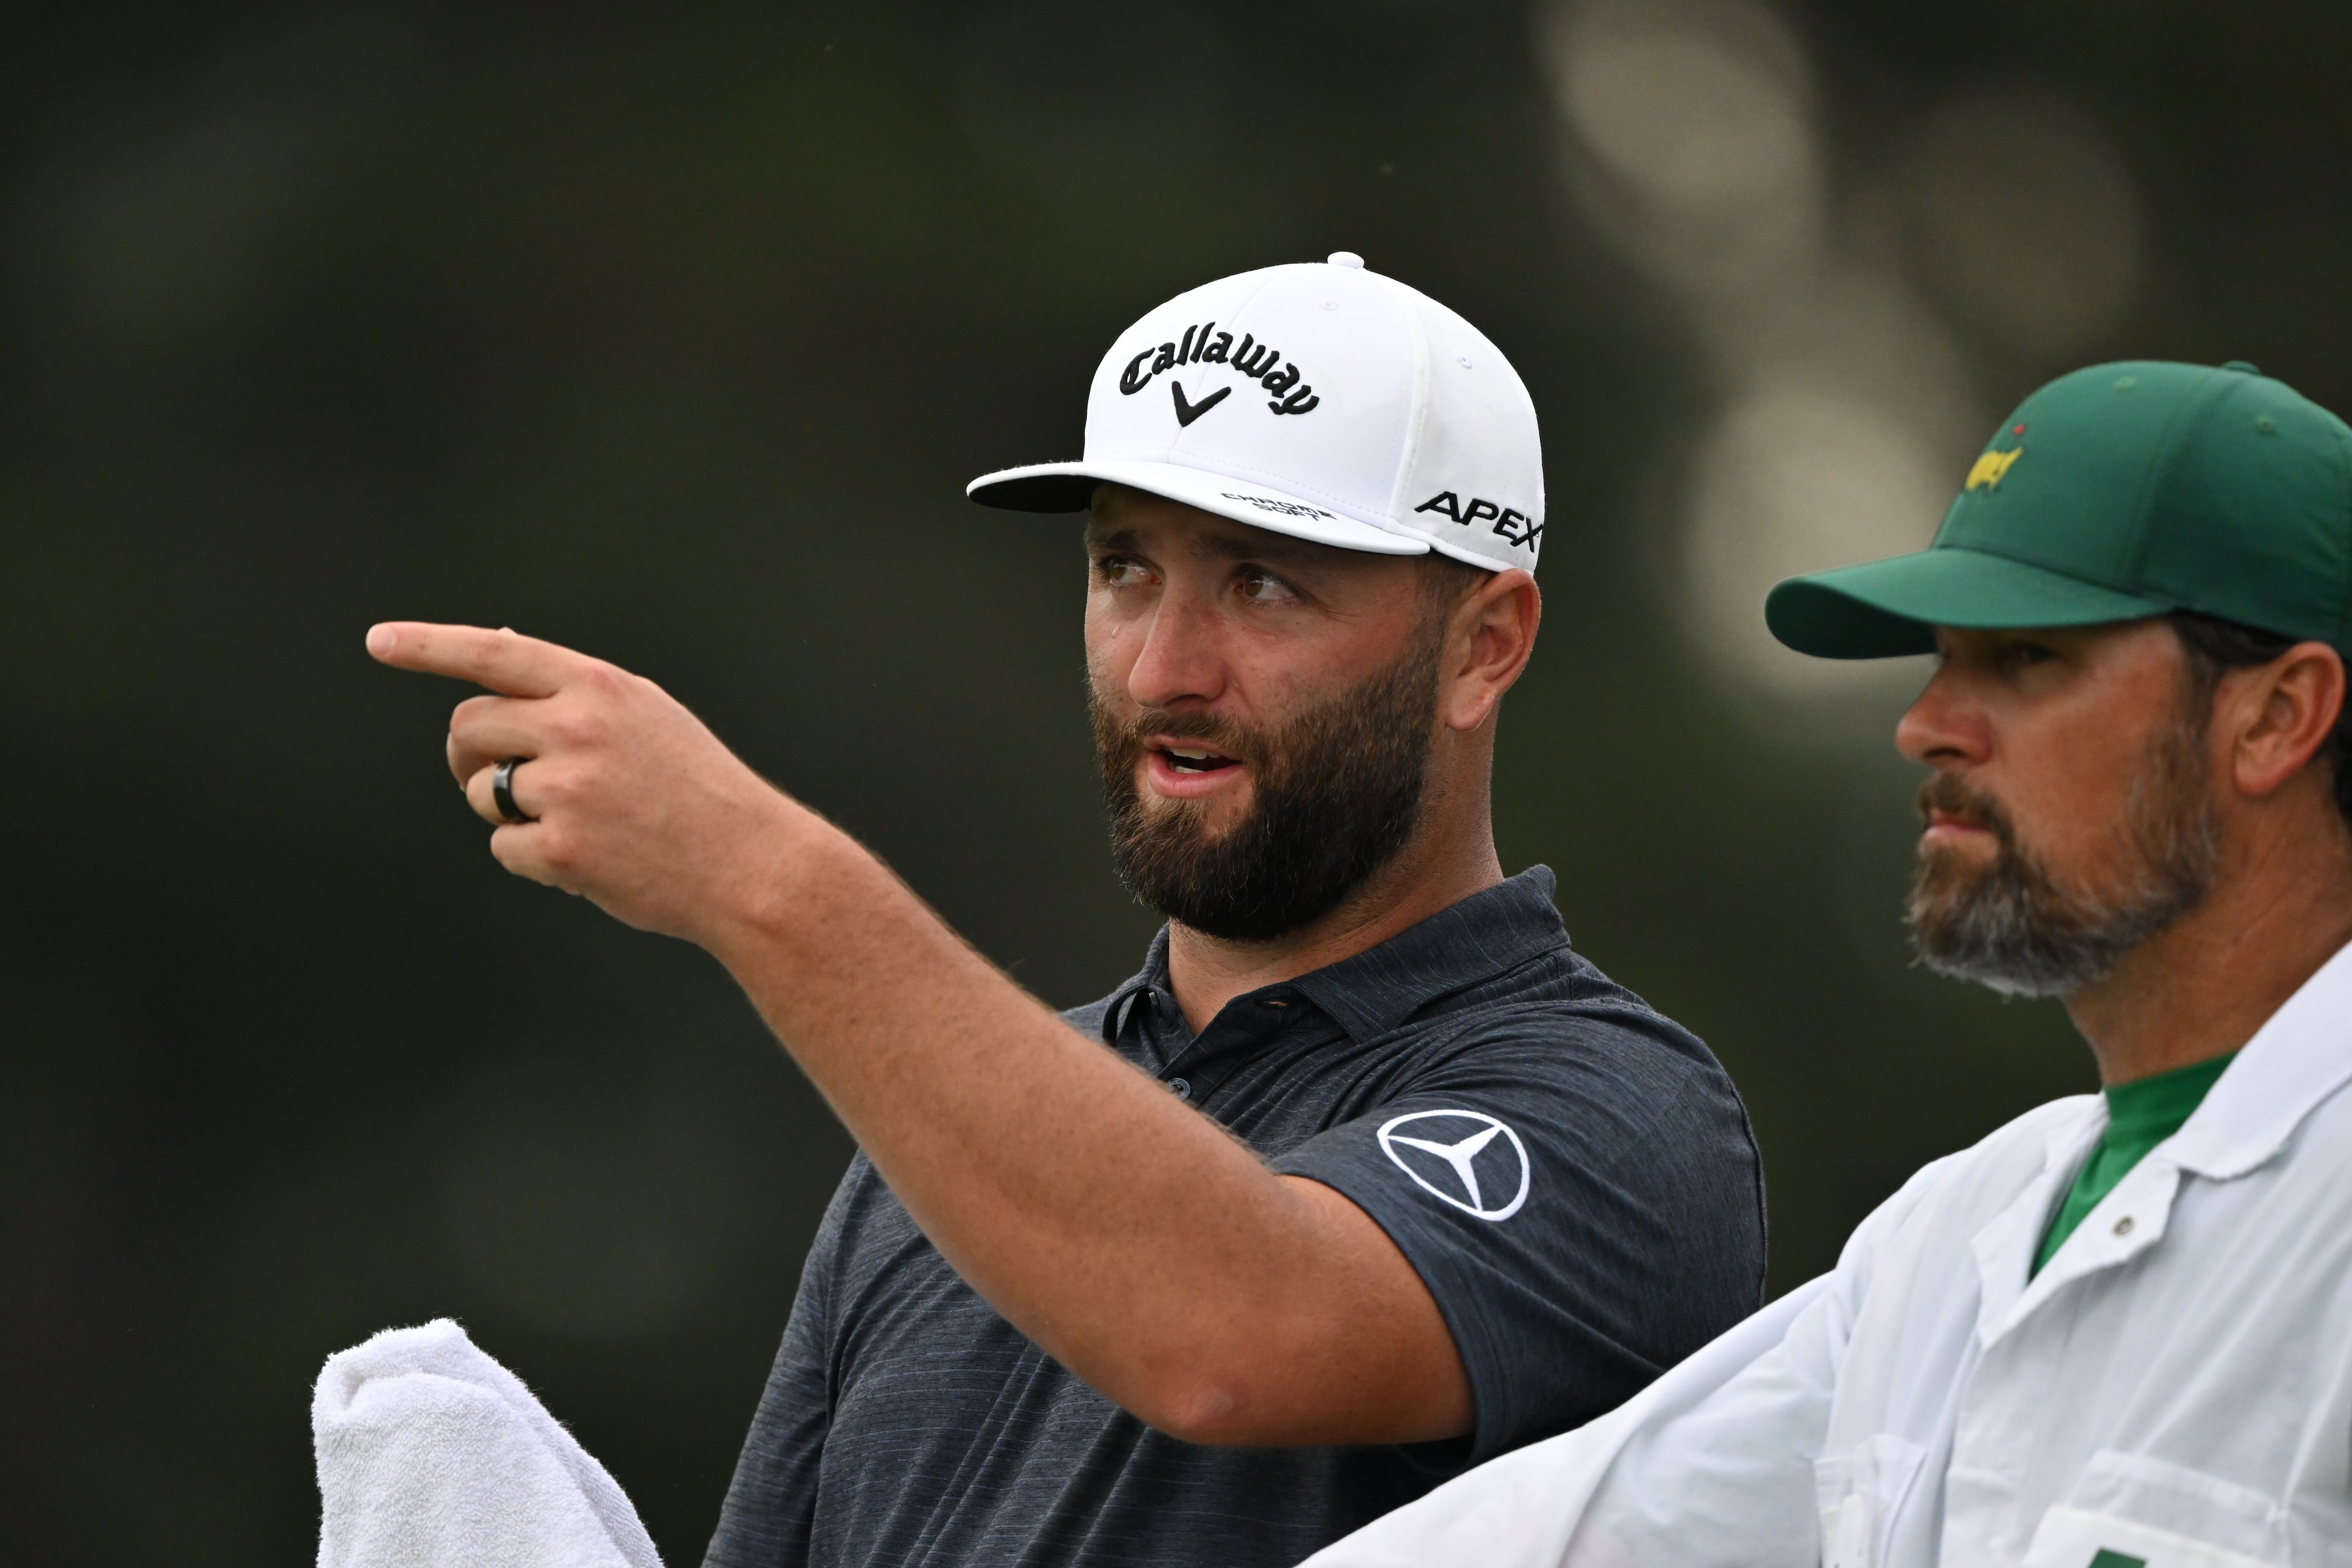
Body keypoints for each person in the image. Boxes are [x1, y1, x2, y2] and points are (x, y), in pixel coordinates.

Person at [366, 252, 1768, 1568]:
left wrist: (761, 875)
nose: (1168, 666)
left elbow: (1231, 1333)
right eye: (1124, 569)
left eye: (1263, 582)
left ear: (1486, 643)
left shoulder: (1623, 1112)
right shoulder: (943, 1144)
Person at [1298, 358, 2352, 1568]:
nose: (1926, 721)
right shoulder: (1960, 1227)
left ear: (2276, 716)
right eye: (1945, 654)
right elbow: (1542, 1544)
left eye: (2029, 661)